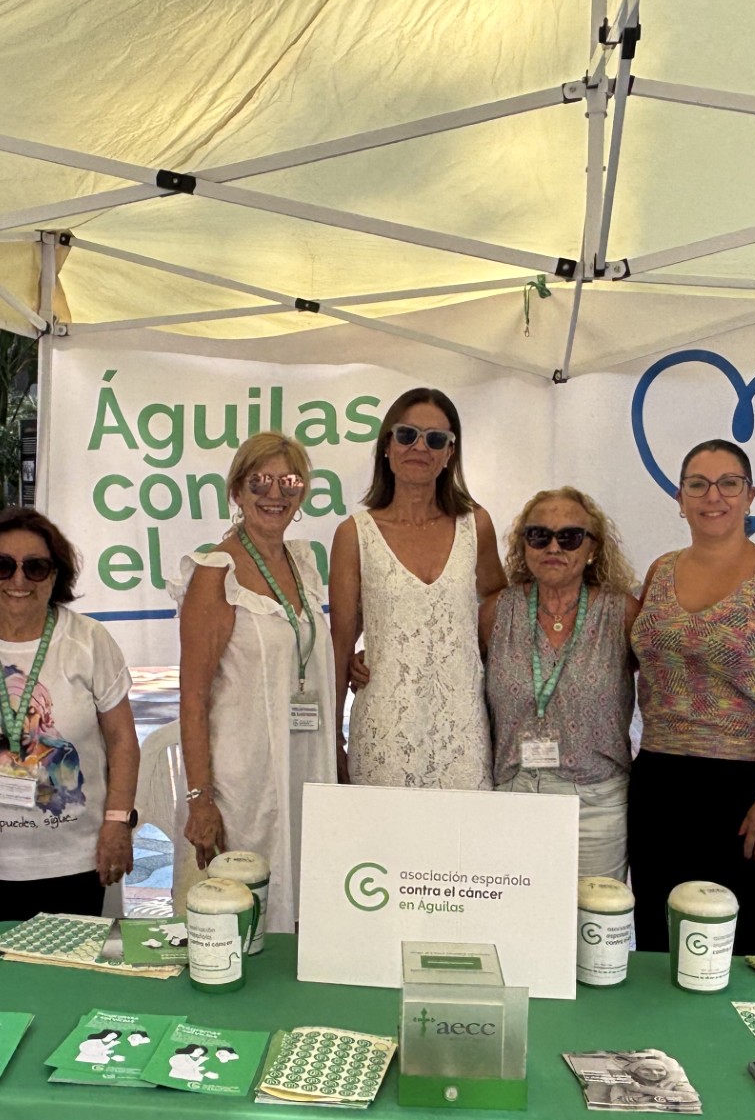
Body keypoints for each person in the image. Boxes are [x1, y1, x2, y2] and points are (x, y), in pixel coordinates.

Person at [627, 440, 755, 956]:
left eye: (728, 483)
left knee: (740, 949)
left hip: (747, 792)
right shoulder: (660, 570)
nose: (712, 496)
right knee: (660, 940)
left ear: (750, 495)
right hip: (659, 781)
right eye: (698, 484)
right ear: (680, 498)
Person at [172, 432, 338, 932]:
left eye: (290, 482)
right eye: (260, 481)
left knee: (306, 901)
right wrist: (200, 800)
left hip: (303, 764)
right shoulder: (215, 572)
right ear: (237, 491)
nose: (275, 494)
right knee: (246, 914)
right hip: (244, 783)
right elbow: (193, 697)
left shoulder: (302, 564)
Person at [0, 506, 140, 922]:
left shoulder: (88, 640)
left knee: (75, 964)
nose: (19, 580)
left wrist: (118, 822)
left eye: (35, 567)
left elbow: (123, 741)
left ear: (55, 576)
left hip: (77, 860)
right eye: (2, 566)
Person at [330, 387, 506, 789]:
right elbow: (340, 645)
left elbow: (500, 606)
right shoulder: (354, 534)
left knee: (466, 829)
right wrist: (334, 737)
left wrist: (468, 650)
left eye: (436, 439)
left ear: (450, 454)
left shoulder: (475, 525)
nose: (420, 447)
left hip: (463, 729)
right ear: (387, 446)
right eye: (407, 435)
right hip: (384, 730)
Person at [480, 487, 637, 879]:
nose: (554, 547)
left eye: (569, 537)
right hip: (514, 795)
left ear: (592, 547)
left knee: (593, 916)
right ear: (524, 545)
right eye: (539, 535)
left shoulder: (621, 613)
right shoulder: (497, 612)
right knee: (513, 912)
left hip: (596, 802)